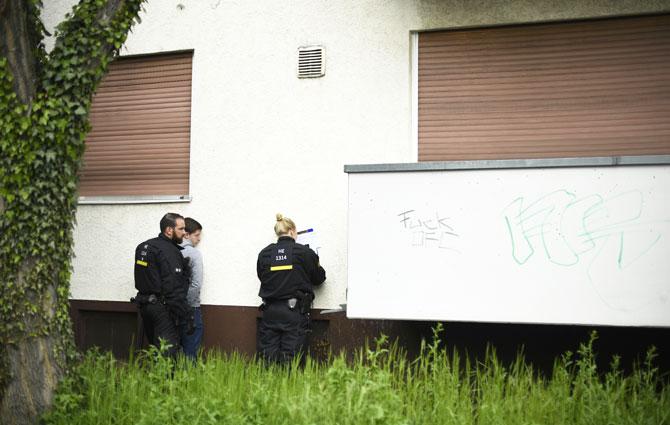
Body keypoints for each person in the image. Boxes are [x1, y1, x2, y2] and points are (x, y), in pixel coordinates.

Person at [256, 213, 326, 364]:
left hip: (270, 312)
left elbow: (262, 276)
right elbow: (319, 278)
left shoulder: (265, 253)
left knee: (269, 358)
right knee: (291, 359)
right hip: (294, 312)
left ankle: (269, 387)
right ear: (293, 231)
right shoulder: (304, 252)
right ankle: (288, 386)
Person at [133, 213, 191, 357]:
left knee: (155, 349)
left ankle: (156, 378)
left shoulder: (144, 246)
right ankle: (166, 379)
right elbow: (173, 287)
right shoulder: (170, 251)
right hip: (162, 309)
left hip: (145, 306)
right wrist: (186, 314)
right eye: (181, 229)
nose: (184, 233)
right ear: (169, 230)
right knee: (166, 353)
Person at [179, 217, 204, 360]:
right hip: (191, 308)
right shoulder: (194, 253)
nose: (199, 239)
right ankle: (189, 380)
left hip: (172, 307)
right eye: (197, 235)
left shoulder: (171, 251)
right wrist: (187, 303)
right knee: (191, 350)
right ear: (186, 235)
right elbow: (196, 284)